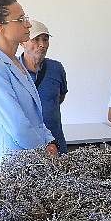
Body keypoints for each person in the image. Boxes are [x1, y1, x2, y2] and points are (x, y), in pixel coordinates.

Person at [0, 0, 58, 173]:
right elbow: (17, 125)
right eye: (20, 19)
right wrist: (44, 153)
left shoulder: (15, 62)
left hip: (33, 157)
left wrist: (50, 141)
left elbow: (35, 117)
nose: (29, 24)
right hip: (13, 162)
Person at [19, 21, 69, 154]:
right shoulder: (12, 70)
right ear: (22, 43)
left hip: (56, 146)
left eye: (45, 39)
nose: (42, 44)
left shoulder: (56, 68)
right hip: (25, 149)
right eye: (36, 39)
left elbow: (58, 98)